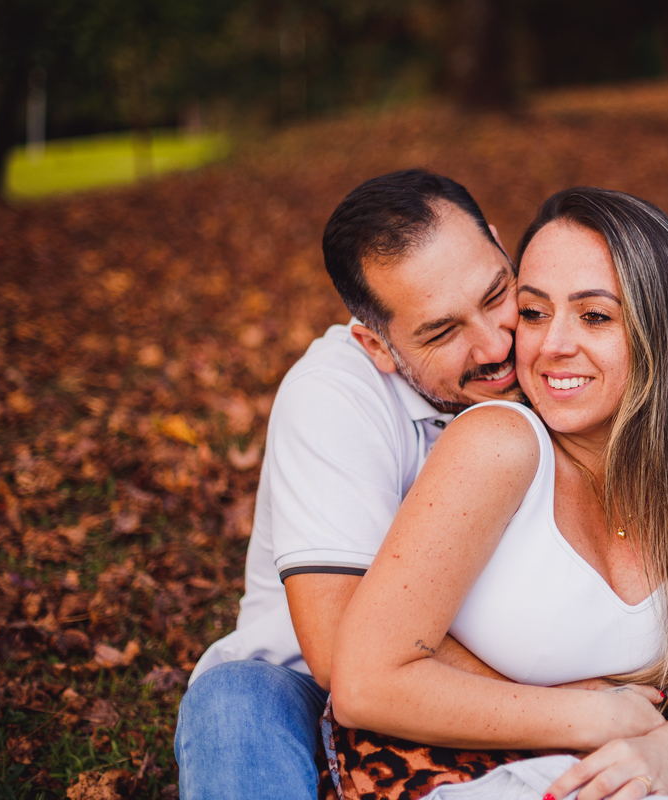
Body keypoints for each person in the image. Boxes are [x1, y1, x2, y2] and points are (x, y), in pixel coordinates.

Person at [325, 187, 668, 800]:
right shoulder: (499, 445)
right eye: (535, 312)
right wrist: (597, 719)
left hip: (628, 778)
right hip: (469, 777)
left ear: (660, 327)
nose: (551, 345)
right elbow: (363, 684)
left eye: (595, 316)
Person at [175, 170, 527, 800]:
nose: (497, 342)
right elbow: (345, 655)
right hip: (314, 693)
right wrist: (555, 701)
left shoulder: (556, 354)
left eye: (496, 293)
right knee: (234, 700)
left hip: (519, 674)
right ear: (378, 344)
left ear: (502, 249)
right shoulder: (331, 396)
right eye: (442, 332)